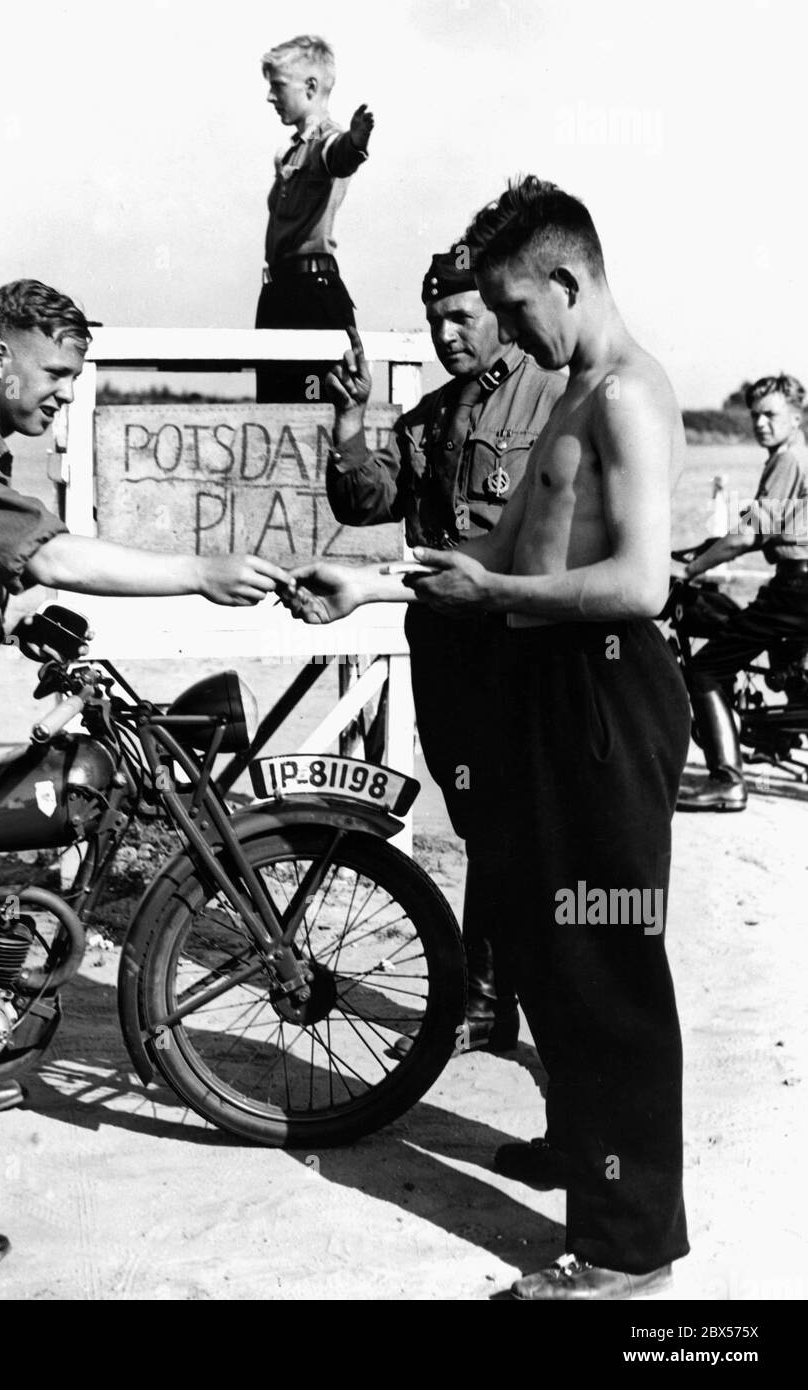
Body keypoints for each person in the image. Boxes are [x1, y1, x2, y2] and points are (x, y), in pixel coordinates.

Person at [0, 279, 289, 1276]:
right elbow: (58, 552)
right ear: (1, 356)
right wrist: (200, 571)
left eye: (75, 377)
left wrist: (12, 616)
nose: (61, 393)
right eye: (56, 373)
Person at [284, 176, 692, 1300]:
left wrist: (504, 592)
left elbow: (640, 583)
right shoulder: (569, 390)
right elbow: (479, 568)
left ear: (569, 280)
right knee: (542, 941)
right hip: (549, 686)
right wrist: (364, 587)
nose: (506, 333)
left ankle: (625, 1250)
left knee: (605, 965)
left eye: (515, 310)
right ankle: (583, 1148)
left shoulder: (624, 397)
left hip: (606, 691)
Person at [323, 248, 564, 1053]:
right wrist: (351, 422)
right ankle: (493, 1002)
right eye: (434, 319)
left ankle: (494, 1001)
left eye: (461, 316)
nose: (445, 333)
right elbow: (365, 502)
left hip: (522, 645)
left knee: (523, 827)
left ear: (500, 311)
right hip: (447, 650)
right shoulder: (429, 416)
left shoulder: (556, 398)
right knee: (480, 823)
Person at [675, 373, 808, 811]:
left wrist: (691, 571)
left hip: (796, 588)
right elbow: (757, 529)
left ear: (796, 416)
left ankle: (727, 781)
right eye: (755, 416)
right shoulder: (793, 457)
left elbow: (749, 536)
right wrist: (698, 549)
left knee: (706, 670)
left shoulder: (789, 460)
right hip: (796, 584)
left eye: (771, 415)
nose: (761, 424)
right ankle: (774, 739)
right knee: (785, 662)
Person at [255, 34, 374, 403]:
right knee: (276, 414)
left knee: (315, 413)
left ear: (310, 87)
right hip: (279, 296)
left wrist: (355, 142)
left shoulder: (327, 140)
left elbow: (337, 156)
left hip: (310, 298)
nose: (270, 97)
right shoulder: (291, 150)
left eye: (277, 86)